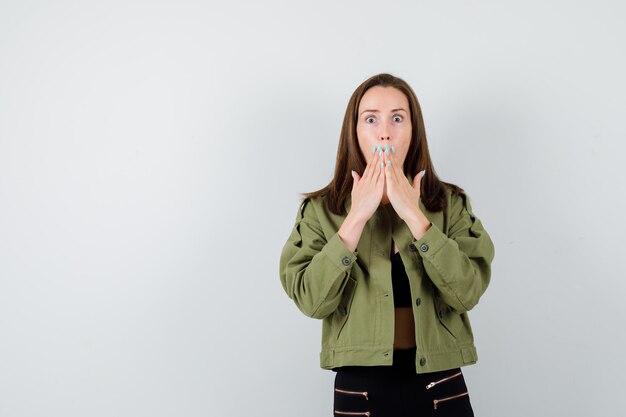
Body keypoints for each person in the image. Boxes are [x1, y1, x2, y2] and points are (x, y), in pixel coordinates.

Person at [279, 73, 495, 417]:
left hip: (439, 384)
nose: (385, 132)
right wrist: (355, 218)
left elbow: (467, 292)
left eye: (397, 118)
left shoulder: (449, 204)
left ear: (413, 130)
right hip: (360, 389)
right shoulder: (320, 210)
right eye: (371, 119)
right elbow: (311, 300)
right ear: (355, 132)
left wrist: (414, 215)